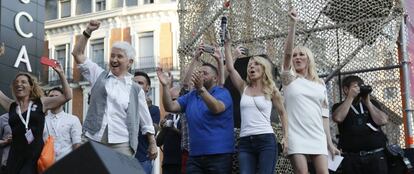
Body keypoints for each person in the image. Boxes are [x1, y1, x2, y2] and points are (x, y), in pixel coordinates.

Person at [72, 20, 157, 158]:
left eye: (119, 56)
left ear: (129, 62)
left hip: (122, 143)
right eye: (112, 55)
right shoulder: (98, 74)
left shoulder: (136, 89)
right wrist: (87, 32)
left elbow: (146, 120)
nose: (114, 59)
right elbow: (77, 54)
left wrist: (152, 143)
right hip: (93, 138)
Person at [281, 8, 340, 174]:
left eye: (302, 55)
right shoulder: (289, 79)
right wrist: (293, 25)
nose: (297, 57)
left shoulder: (320, 83)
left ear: (308, 59)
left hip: (317, 135)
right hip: (296, 134)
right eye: (295, 55)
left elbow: (324, 115)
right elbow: (285, 55)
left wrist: (329, 143)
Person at [224, 31, 289, 173]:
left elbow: (283, 113)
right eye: (249, 65)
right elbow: (230, 68)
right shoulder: (243, 87)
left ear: (264, 67)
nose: (251, 67)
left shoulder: (271, 89)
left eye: (255, 64)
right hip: (245, 141)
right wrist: (227, 45)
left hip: (266, 140)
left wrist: (285, 137)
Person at [157, 61, 234, 173]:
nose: (201, 75)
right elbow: (170, 106)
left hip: (219, 155)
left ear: (215, 79)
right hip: (194, 156)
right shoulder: (191, 96)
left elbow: (217, 108)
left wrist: (201, 89)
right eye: (199, 73)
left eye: (205, 73)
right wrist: (164, 86)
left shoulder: (222, 92)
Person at [0, 65, 72, 174]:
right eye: (16, 82)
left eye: (23, 82)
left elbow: (67, 96)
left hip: (33, 154)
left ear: (31, 86)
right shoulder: (11, 105)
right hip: (15, 154)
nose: (19, 84)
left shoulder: (41, 102)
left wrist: (61, 74)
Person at [332, 75, 388, 174]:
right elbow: (338, 118)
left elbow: (383, 121)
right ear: (345, 89)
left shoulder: (372, 103)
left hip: (376, 156)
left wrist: (368, 102)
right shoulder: (339, 106)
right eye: (355, 87)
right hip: (351, 158)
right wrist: (350, 97)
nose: (359, 89)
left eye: (360, 86)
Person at [42, 87, 82, 161]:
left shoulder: (73, 119)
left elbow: (77, 144)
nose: (53, 99)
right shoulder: (41, 121)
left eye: (56, 97)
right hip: (46, 165)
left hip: (67, 164)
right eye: (51, 97)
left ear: (63, 100)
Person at [133, 71, 160, 174]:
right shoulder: (125, 105)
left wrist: (144, 108)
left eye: (140, 83)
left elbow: (154, 130)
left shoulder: (153, 109)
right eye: (134, 83)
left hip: (142, 158)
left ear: (147, 88)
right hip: (125, 155)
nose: (137, 85)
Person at [156, 87, 182, 174]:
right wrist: (164, 129)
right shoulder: (168, 117)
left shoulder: (185, 116)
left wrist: (173, 129)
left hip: (182, 160)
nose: (171, 102)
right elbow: (158, 142)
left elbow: (189, 137)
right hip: (168, 162)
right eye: (170, 100)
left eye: (174, 99)